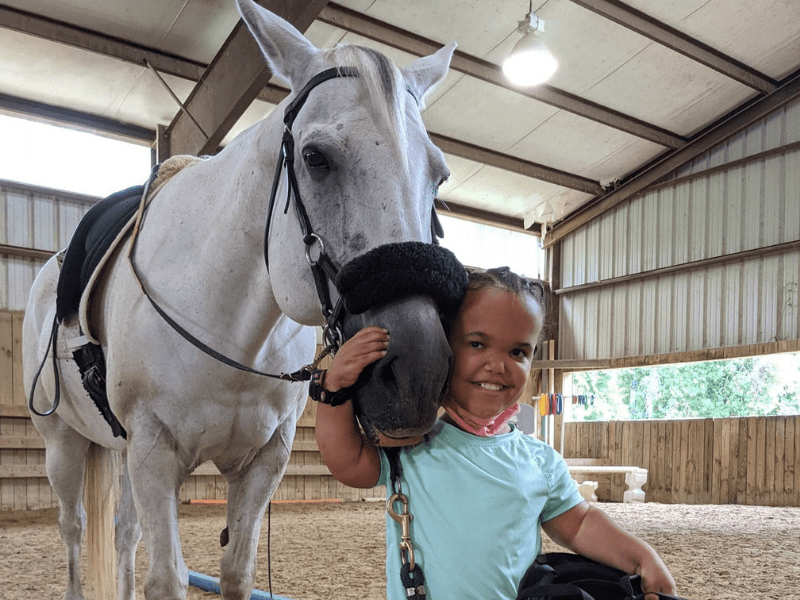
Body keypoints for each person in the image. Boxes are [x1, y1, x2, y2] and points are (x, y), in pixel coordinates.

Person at [315, 266, 677, 600]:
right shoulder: (411, 444)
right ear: (444, 347)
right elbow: (347, 463)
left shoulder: (540, 461)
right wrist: (334, 389)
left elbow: (579, 524)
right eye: (477, 344)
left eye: (518, 351)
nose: (497, 364)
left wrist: (643, 558)